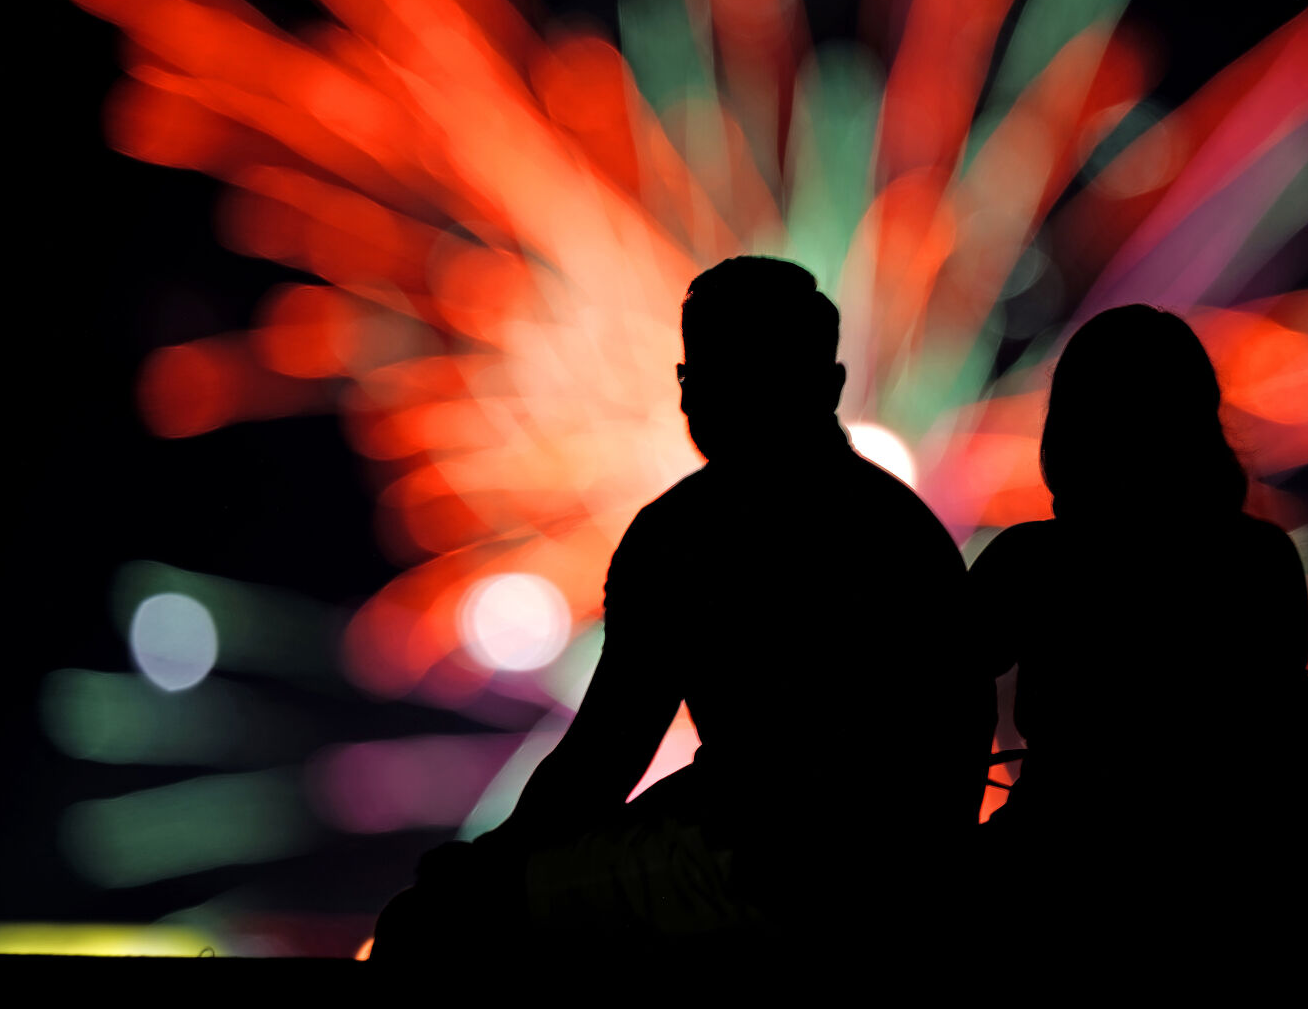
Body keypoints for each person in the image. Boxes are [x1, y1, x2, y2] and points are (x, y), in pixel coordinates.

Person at [373, 256, 990, 967]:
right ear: (830, 385)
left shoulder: (685, 535)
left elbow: (603, 759)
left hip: (772, 876)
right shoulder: (904, 528)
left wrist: (482, 865)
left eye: (707, 377)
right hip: (912, 875)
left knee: (435, 928)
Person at [968, 305, 1308, 982]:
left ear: (1069, 425)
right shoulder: (1261, 562)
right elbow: (1280, 750)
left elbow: (927, 705)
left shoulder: (1029, 562)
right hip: (1225, 906)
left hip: (1055, 891)